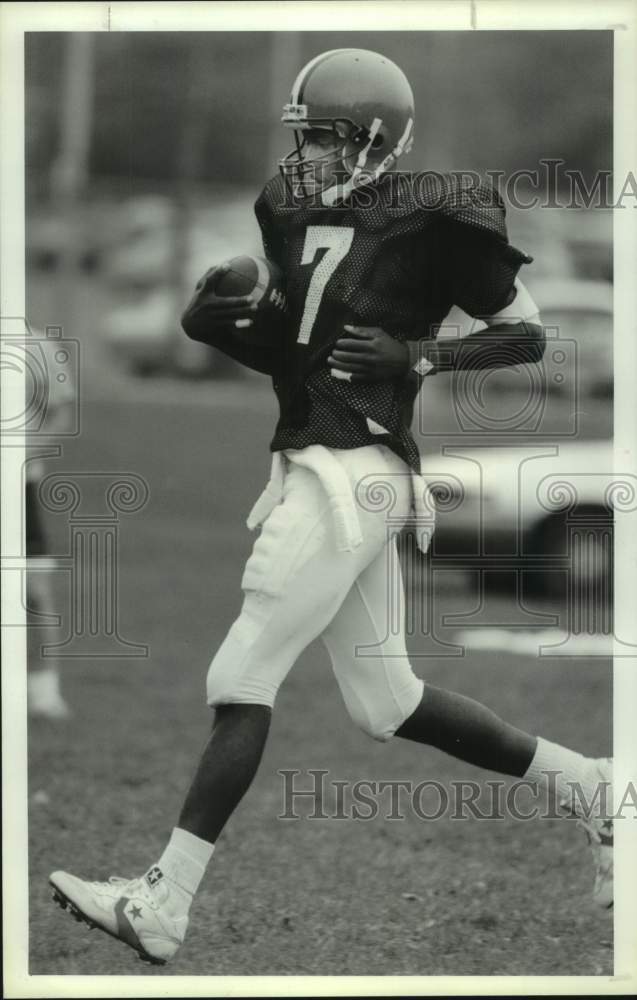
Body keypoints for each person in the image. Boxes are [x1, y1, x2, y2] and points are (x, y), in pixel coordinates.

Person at [50, 49, 612, 966]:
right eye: (301, 134)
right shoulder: (288, 206)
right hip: (317, 458)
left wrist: (421, 358)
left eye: (320, 136)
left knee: (240, 677)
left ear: (371, 140)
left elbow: (527, 333)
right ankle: (592, 786)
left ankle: (164, 900)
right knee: (387, 703)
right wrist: (225, 326)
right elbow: (296, 355)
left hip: (355, 472)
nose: (303, 153)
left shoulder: (433, 213)